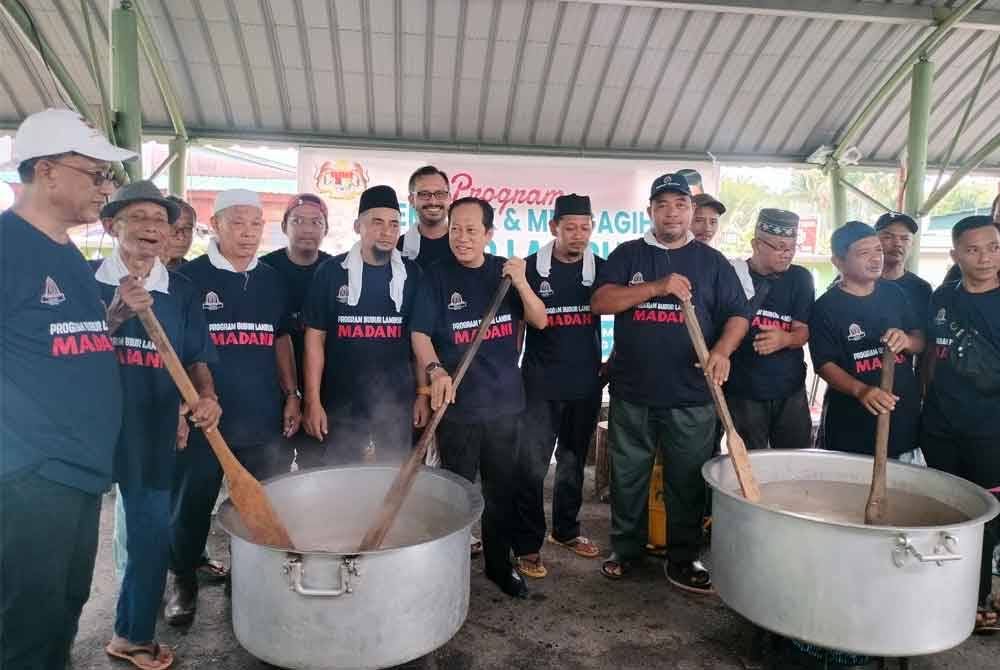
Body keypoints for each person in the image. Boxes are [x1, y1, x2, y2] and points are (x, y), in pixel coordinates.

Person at [0, 108, 133, 668]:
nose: (106, 188)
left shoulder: (65, 252)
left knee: (64, 605)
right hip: (32, 475)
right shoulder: (7, 247)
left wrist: (113, 320)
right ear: (48, 171)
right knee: (28, 619)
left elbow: (57, 337)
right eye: (97, 174)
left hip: (79, 471)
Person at [591, 173, 749, 592]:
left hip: (691, 396)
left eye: (680, 204)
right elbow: (601, 301)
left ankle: (684, 557)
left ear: (692, 212)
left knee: (687, 480)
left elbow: (738, 315)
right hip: (633, 393)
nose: (672, 212)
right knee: (627, 477)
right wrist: (657, 287)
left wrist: (722, 352)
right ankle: (625, 551)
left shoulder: (712, 263)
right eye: (663, 205)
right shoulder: (628, 255)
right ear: (650, 212)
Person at [94, 181, 220, 669]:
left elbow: (196, 357)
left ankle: (131, 634)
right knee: (68, 537)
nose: (151, 228)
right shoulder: (88, 280)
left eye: (159, 221)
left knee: (149, 535)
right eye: (138, 218)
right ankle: (38, 634)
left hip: (154, 426)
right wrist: (113, 317)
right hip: (90, 425)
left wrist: (206, 397)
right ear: (112, 226)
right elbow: (61, 354)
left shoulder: (182, 290)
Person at [165, 189, 300, 626]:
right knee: (191, 504)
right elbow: (177, 349)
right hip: (205, 419)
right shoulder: (189, 279)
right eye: (237, 223)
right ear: (216, 224)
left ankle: (254, 577)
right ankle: (182, 579)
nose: (247, 233)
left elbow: (281, 339)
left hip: (261, 415)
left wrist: (292, 394)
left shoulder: (273, 279)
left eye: (255, 224)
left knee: (261, 504)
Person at [410, 197, 548, 598]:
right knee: (456, 491)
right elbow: (420, 333)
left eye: (472, 230)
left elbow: (539, 319)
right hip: (457, 408)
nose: (462, 238)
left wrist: (521, 281)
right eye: (456, 229)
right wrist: (435, 371)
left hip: (505, 405)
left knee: (501, 491)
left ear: (488, 234)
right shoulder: (434, 277)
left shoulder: (504, 273)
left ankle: (499, 566)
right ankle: (450, 568)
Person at [511, 194, 604, 579]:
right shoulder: (530, 269)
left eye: (585, 228)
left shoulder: (603, 269)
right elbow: (516, 327)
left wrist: (612, 365)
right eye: (570, 228)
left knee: (572, 463)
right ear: (554, 228)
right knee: (530, 466)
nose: (578, 235)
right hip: (539, 385)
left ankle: (565, 531)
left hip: (585, 384)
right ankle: (528, 544)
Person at [302, 186, 424, 463]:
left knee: (391, 481)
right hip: (341, 404)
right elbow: (314, 339)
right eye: (377, 223)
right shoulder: (331, 272)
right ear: (358, 226)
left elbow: (420, 340)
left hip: (396, 404)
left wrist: (423, 393)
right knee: (341, 482)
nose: (387, 231)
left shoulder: (412, 275)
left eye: (394, 224)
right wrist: (312, 401)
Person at [920, 215, 1000, 633]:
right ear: (955, 255)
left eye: (993, 247)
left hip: (991, 432)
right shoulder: (942, 299)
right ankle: (941, 588)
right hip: (940, 426)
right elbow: (931, 355)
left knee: (986, 516)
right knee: (945, 509)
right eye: (973, 249)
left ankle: (979, 595)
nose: (985, 257)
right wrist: (923, 403)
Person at [808, 221, 924, 459]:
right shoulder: (825, 307)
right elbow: (824, 365)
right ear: (838, 262)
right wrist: (861, 390)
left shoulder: (894, 294)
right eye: (864, 253)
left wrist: (907, 341)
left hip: (901, 417)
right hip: (851, 423)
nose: (875, 259)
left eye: (878, 250)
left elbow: (920, 340)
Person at [726, 209, 814, 451]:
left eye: (792, 248)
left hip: (789, 389)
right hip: (743, 390)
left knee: (794, 462)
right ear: (756, 244)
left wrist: (785, 339)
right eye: (779, 247)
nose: (786, 254)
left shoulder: (800, 278)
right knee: (751, 464)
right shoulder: (733, 275)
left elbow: (803, 330)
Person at [260, 193, 332, 470]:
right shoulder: (265, 270)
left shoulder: (335, 270)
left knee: (317, 472)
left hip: (322, 390)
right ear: (283, 226)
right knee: (271, 473)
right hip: (274, 389)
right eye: (298, 221)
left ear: (326, 229)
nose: (307, 229)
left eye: (316, 222)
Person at [874, 211, 932, 326]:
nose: (897, 243)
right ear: (874, 241)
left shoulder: (922, 289)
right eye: (888, 237)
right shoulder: (855, 281)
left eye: (905, 238)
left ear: (912, 244)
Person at [398, 165, 455, 269]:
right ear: (411, 200)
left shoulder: (465, 245)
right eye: (424, 194)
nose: (433, 201)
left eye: (440, 193)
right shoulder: (398, 249)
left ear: (449, 198)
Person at [162, 195, 196, 270]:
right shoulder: (136, 274)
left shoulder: (197, 274)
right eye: (172, 227)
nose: (181, 237)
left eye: (187, 228)